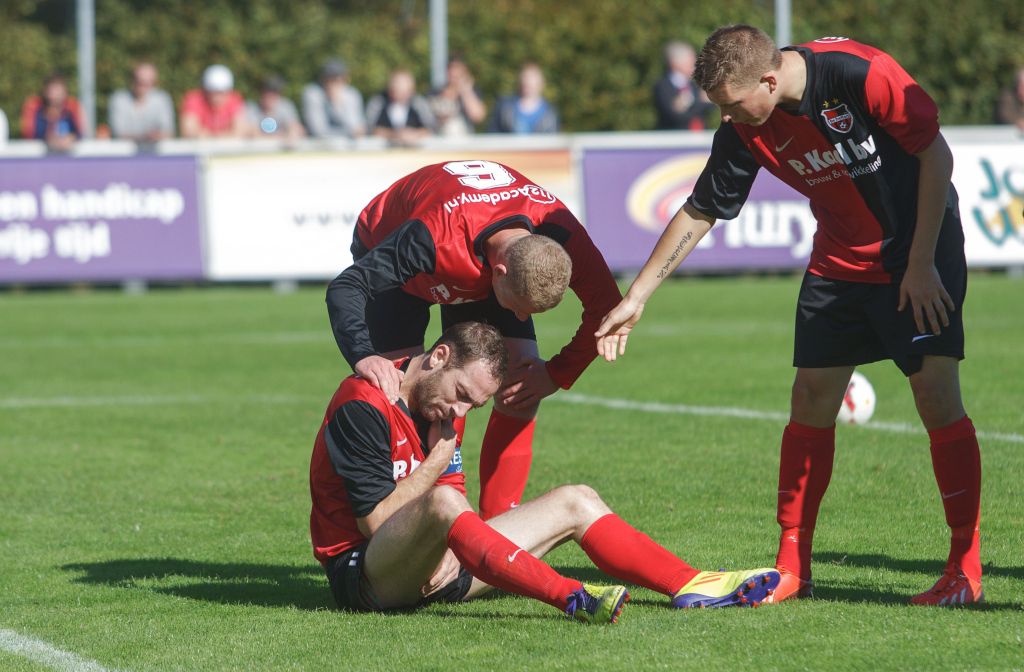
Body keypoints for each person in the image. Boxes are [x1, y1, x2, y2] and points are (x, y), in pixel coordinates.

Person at [595, 25, 983, 607]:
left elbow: (935, 154)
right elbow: (701, 208)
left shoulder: (860, 74)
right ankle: (792, 564)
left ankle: (964, 568)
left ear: (770, 80)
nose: (726, 117)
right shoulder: (746, 127)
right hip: (838, 264)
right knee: (809, 400)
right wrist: (638, 296)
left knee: (935, 397)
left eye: (731, 103)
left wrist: (923, 263)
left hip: (917, 254)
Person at [310, 321, 781, 619]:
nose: (461, 410)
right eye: (460, 394)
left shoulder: (447, 410)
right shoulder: (363, 405)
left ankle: (690, 583)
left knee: (576, 498)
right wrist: (439, 467)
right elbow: (374, 522)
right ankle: (569, 596)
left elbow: (454, 493)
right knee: (445, 503)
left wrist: (450, 544)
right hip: (366, 578)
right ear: (438, 357)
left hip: (433, 570)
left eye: (474, 403)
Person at [326, 160, 621, 521]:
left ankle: (498, 528)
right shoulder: (431, 237)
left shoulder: (559, 230)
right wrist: (363, 356)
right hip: (394, 247)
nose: (522, 319)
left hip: (479, 256)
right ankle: (416, 525)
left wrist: (556, 373)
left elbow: (609, 309)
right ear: (498, 274)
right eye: (520, 307)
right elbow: (346, 287)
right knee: (406, 393)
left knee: (521, 381)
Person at [108, 62, 176, 145]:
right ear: (132, 80)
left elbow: (168, 131)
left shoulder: (162, 99)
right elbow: (117, 133)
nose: (143, 86)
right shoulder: (118, 99)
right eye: (140, 81)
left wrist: (153, 136)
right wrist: (145, 137)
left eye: (147, 82)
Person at [365, 68, 436, 146]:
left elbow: (431, 127)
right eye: (396, 90)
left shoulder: (419, 103)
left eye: (404, 92)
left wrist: (415, 134)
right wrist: (394, 134)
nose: (400, 95)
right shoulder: (378, 102)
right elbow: (369, 128)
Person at [653, 41, 714, 131]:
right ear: (675, 63)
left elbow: (711, 105)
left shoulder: (696, 84)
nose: (695, 63)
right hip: (674, 140)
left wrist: (690, 104)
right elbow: (675, 116)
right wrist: (700, 101)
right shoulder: (662, 86)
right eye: (690, 59)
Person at [302, 58, 366, 139]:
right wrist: (334, 105)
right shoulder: (313, 94)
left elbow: (357, 128)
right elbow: (318, 131)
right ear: (323, 79)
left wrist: (339, 106)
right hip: (319, 148)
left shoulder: (352, 94)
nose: (336, 83)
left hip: (349, 148)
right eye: (332, 79)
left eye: (340, 79)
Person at [180, 64, 248, 138]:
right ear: (206, 90)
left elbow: (239, 132)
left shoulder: (235, 100)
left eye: (221, 93)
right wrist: (224, 136)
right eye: (214, 92)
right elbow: (189, 131)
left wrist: (209, 136)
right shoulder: (194, 100)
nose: (217, 97)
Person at [20, 73, 83, 152]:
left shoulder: (72, 107)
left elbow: (81, 133)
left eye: (58, 90)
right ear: (45, 91)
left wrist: (71, 138)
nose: (54, 95)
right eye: (52, 90)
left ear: (65, 91)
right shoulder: (35, 107)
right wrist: (48, 138)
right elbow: (29, 134)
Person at [490, 63, 558, 134]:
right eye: (525, 77)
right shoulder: (504, 107)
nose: (527, 81)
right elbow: (493, 135)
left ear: (541, 83)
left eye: (531, 78)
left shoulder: (550, 112)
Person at [429, 56, 487, 137]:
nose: (454, 73)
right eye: (451, 69)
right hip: (440, 141)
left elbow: (478, 116)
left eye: (458, 69)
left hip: (465, 142)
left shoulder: (471, 92)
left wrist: (466, 91)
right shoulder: (436, 92)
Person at [247, 75, 305, 141]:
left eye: (274, 93)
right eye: (266, 92)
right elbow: (252, 133)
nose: (269, 96)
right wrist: (281, 136)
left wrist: (291, 134)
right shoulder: (252, 108)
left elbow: (295, 128)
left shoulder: (286, 106)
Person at [994, 66, 1024, 133]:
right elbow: (1005, 115)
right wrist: (1018, 122)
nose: (1022, 89)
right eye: (1021, 85)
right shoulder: (1007, 97)